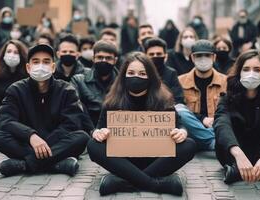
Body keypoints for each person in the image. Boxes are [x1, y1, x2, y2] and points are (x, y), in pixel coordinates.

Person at [87, 52, 197, 196]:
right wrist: (98, 133)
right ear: (123, 76)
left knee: (189, 144)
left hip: (156, 160)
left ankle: (124, 182)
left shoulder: (162, 100)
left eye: (142, 73)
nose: (136, 77)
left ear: (150, 77)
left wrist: (182, 132)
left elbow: (180, 125)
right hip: (123, 161)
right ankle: (156, 184)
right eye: (131, 72)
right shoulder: (112, 101)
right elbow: (98, 128)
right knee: (93, 145)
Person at [0, 44, 92, 177]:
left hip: (55, 142)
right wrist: (31, 136)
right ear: (28, 67)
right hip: (28, 142)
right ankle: (56, 164)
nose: (41, 66)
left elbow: (72, 123)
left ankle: (25, 165)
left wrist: (45, 144)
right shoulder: (16, 89)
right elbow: (4, 119)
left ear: (53, 67)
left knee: (82, 137)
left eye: (46, 61)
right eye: (36, 62)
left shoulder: (67, 90)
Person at [214, 50, 260, 185]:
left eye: (257, 69)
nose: (251, 74)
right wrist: (237, 153)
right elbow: (221, 123)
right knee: (223, 130)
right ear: (239, 72)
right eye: (246, 69)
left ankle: (248, 173)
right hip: (235, 153)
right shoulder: (226, 99)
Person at [178, 40, 227, 150]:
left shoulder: (226, 81)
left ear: (214, 57)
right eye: (199, 55)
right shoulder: (180, 81)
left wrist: (217, 121)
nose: (203, 59)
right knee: (179, 109)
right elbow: (177, 112)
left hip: (217, 127)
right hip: (191, 131)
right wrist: (202, 119)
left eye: (207, 55)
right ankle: (217, 142)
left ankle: (211, 142)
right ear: (192, 58)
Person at [71, 40, 118, 126]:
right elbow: (75, 109)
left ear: (115, 60)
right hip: (87, 131)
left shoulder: (122, 83)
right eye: (99, 57)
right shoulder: (79, 81)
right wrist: (93, 132)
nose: (103, 61)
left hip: (116, 131)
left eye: (108, 58)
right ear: (93, 58)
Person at [0, 40, 28, 133]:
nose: (11, 55)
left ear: (21, 55)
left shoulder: (26, 76)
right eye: (9, 51)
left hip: (19, 114)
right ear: (3, 54)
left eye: (16, 52)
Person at [144, 37, 184, 104]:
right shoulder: (140, 73)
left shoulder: (171, 73)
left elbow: (178, 98)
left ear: (165, 56)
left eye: (159, 54)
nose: (155, 56)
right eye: (151, 54)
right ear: (145, 56)